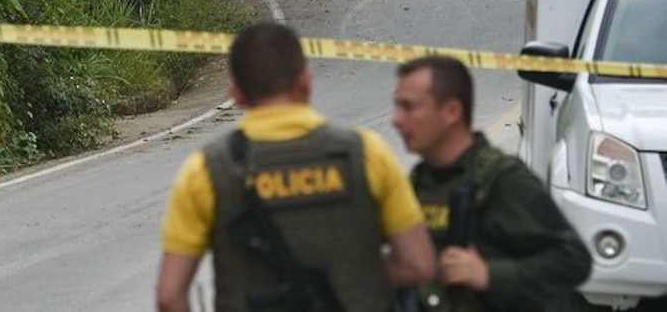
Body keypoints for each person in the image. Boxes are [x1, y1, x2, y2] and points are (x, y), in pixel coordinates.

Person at [156, 22, 435, 312]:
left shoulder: (205, 170)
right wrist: (355, 280)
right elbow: (418, 264)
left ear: (236, 94)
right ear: (306, 81)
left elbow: (169, 295)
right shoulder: (366, 153)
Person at [392, 56, 592, 311]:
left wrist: (489, 274)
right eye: (397, 106)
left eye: (409, 107)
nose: (396, 120)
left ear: (451, 112)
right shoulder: (420, 181)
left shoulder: (503, 179)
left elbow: (573, 260)